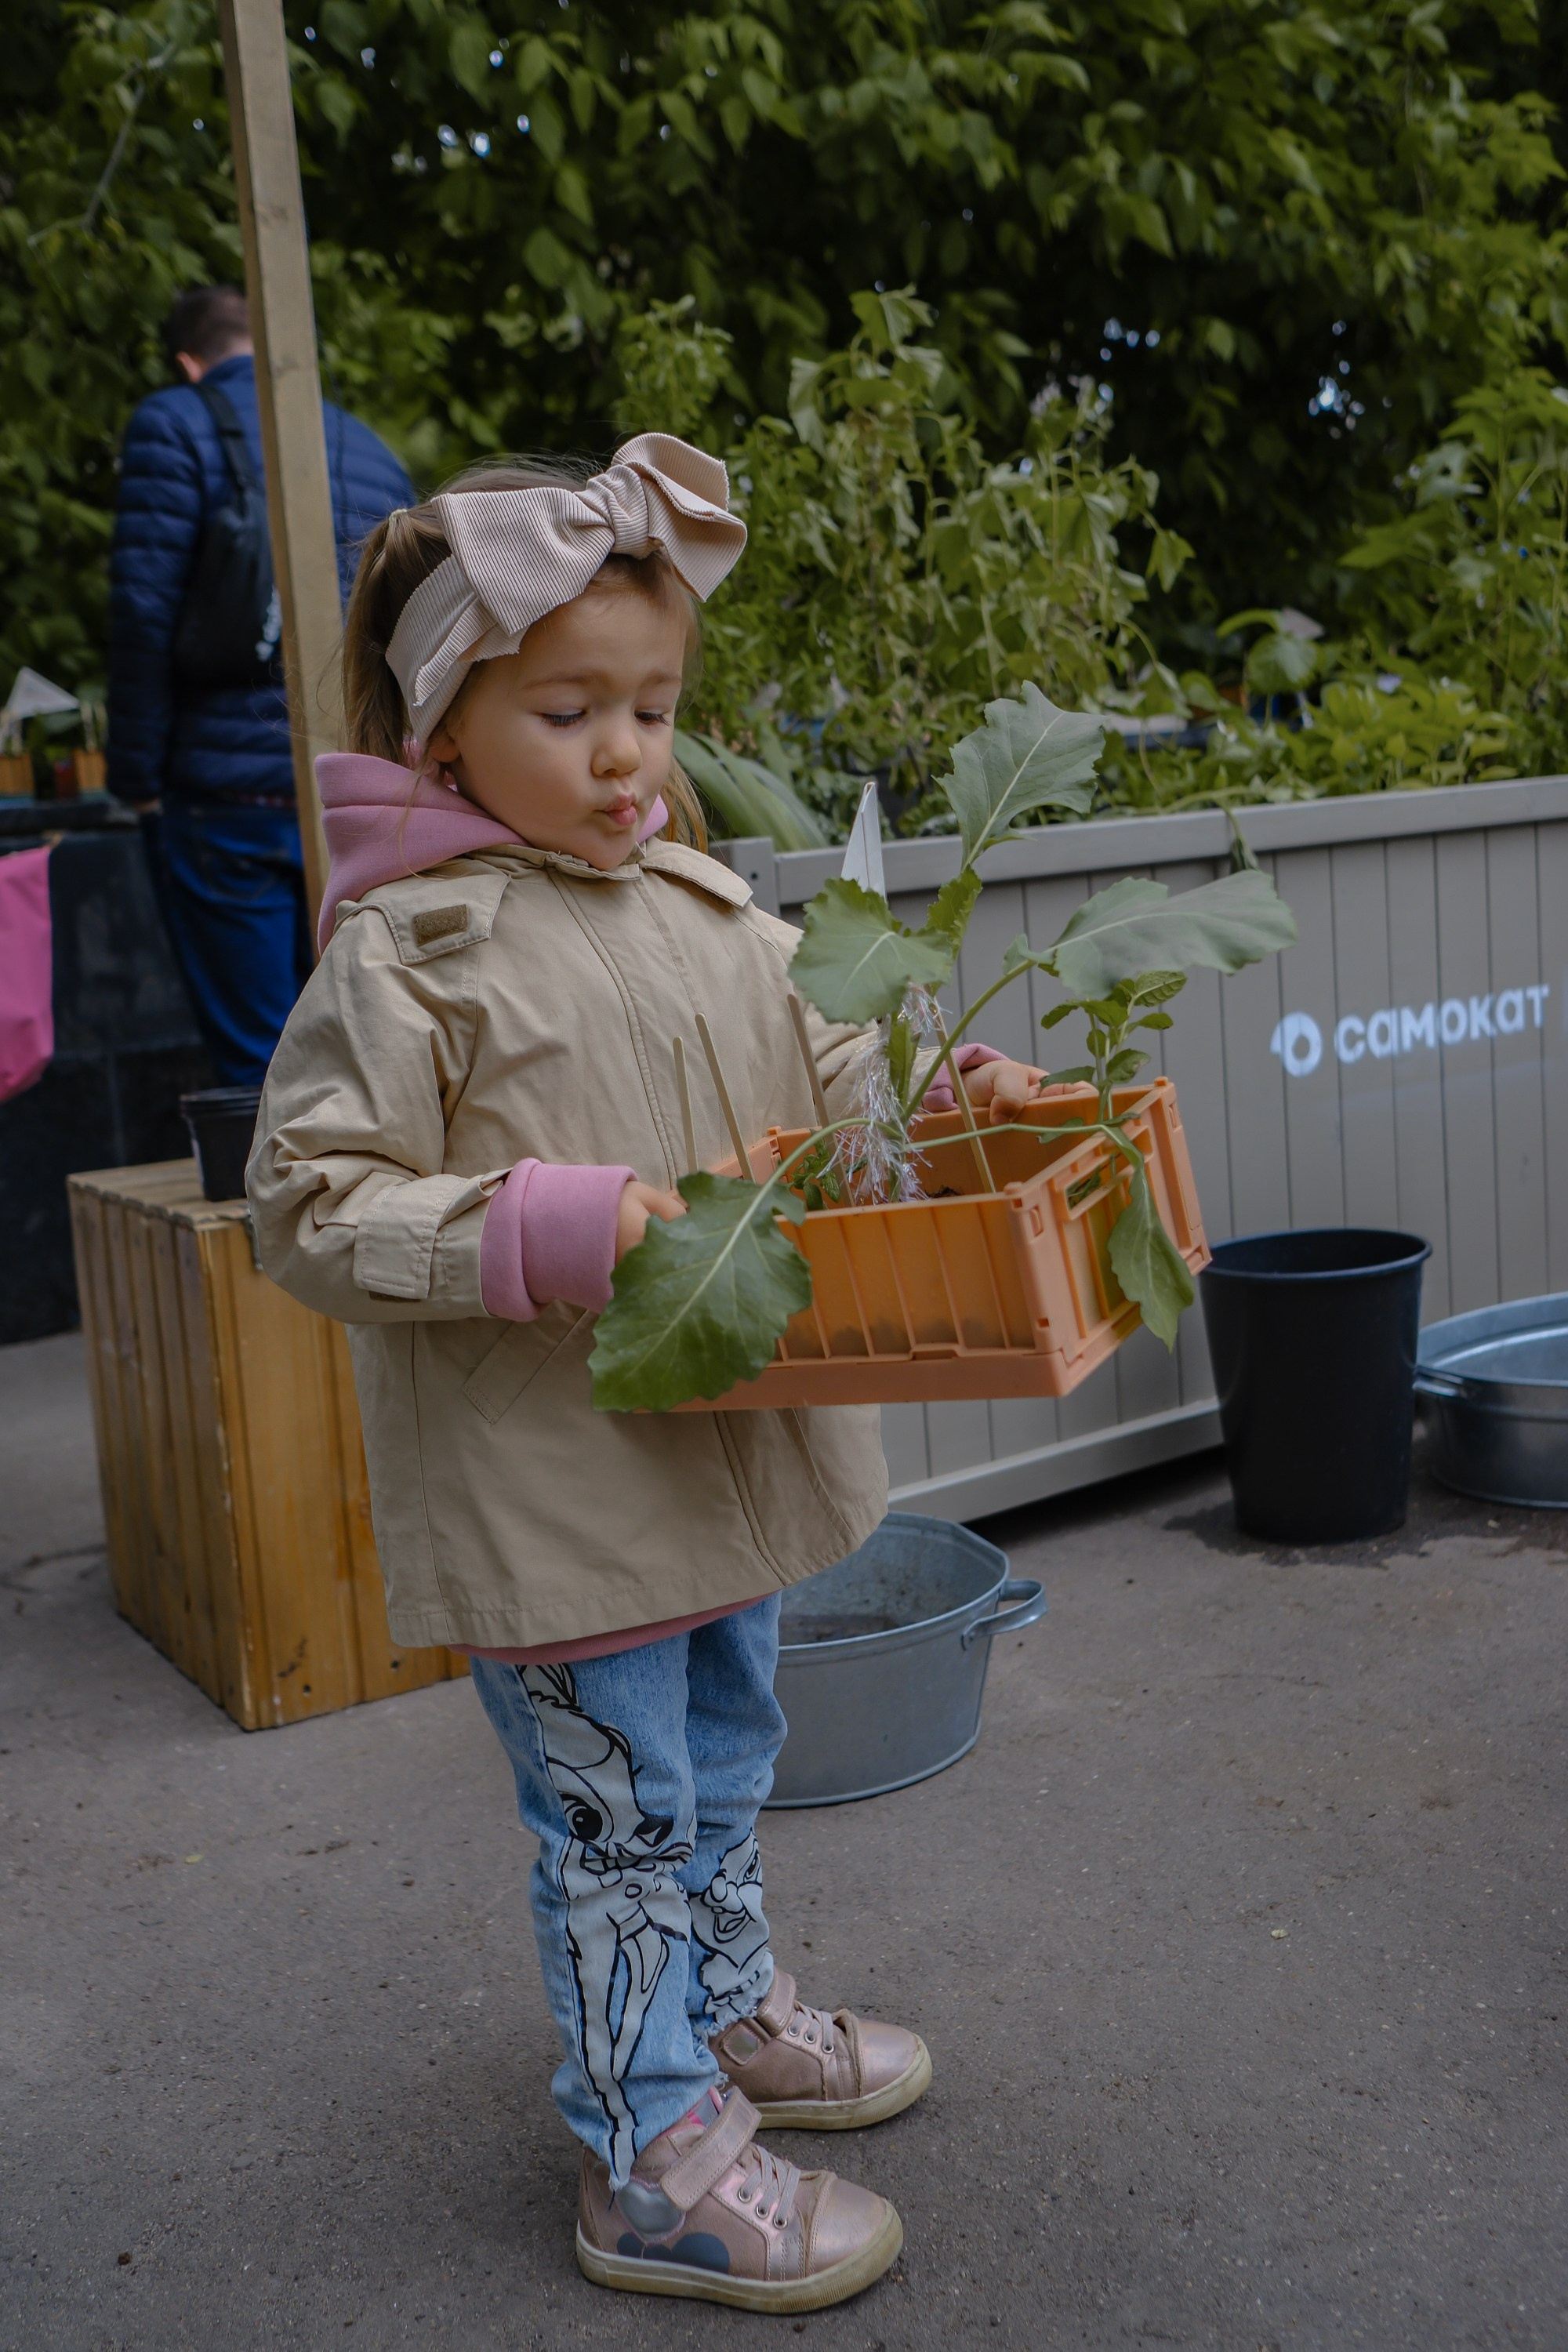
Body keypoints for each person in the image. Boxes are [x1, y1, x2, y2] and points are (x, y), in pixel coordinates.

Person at [245, 436, 1047, 2313]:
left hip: (722, 1468)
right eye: (569, 709)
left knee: (724, 1766)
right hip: (562, 1500)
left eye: (653, 706)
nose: (626, 752)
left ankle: (720, 2006)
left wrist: (943, 1102)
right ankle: (648, 2155)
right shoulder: (413, 951)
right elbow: (301, 1201)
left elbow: (827, 1079)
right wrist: (535, 1224)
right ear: (445, 726)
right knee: (612, 1821)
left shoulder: (705, 907)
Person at [106, 284, 413, 1083]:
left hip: (225, 799)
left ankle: (275, 1204)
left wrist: (135, 779)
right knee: (360, 1050)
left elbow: (143, 611)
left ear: (188, 362)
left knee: (264, 1067)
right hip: (354, 792)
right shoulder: (367, 448)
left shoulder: (174, 422)